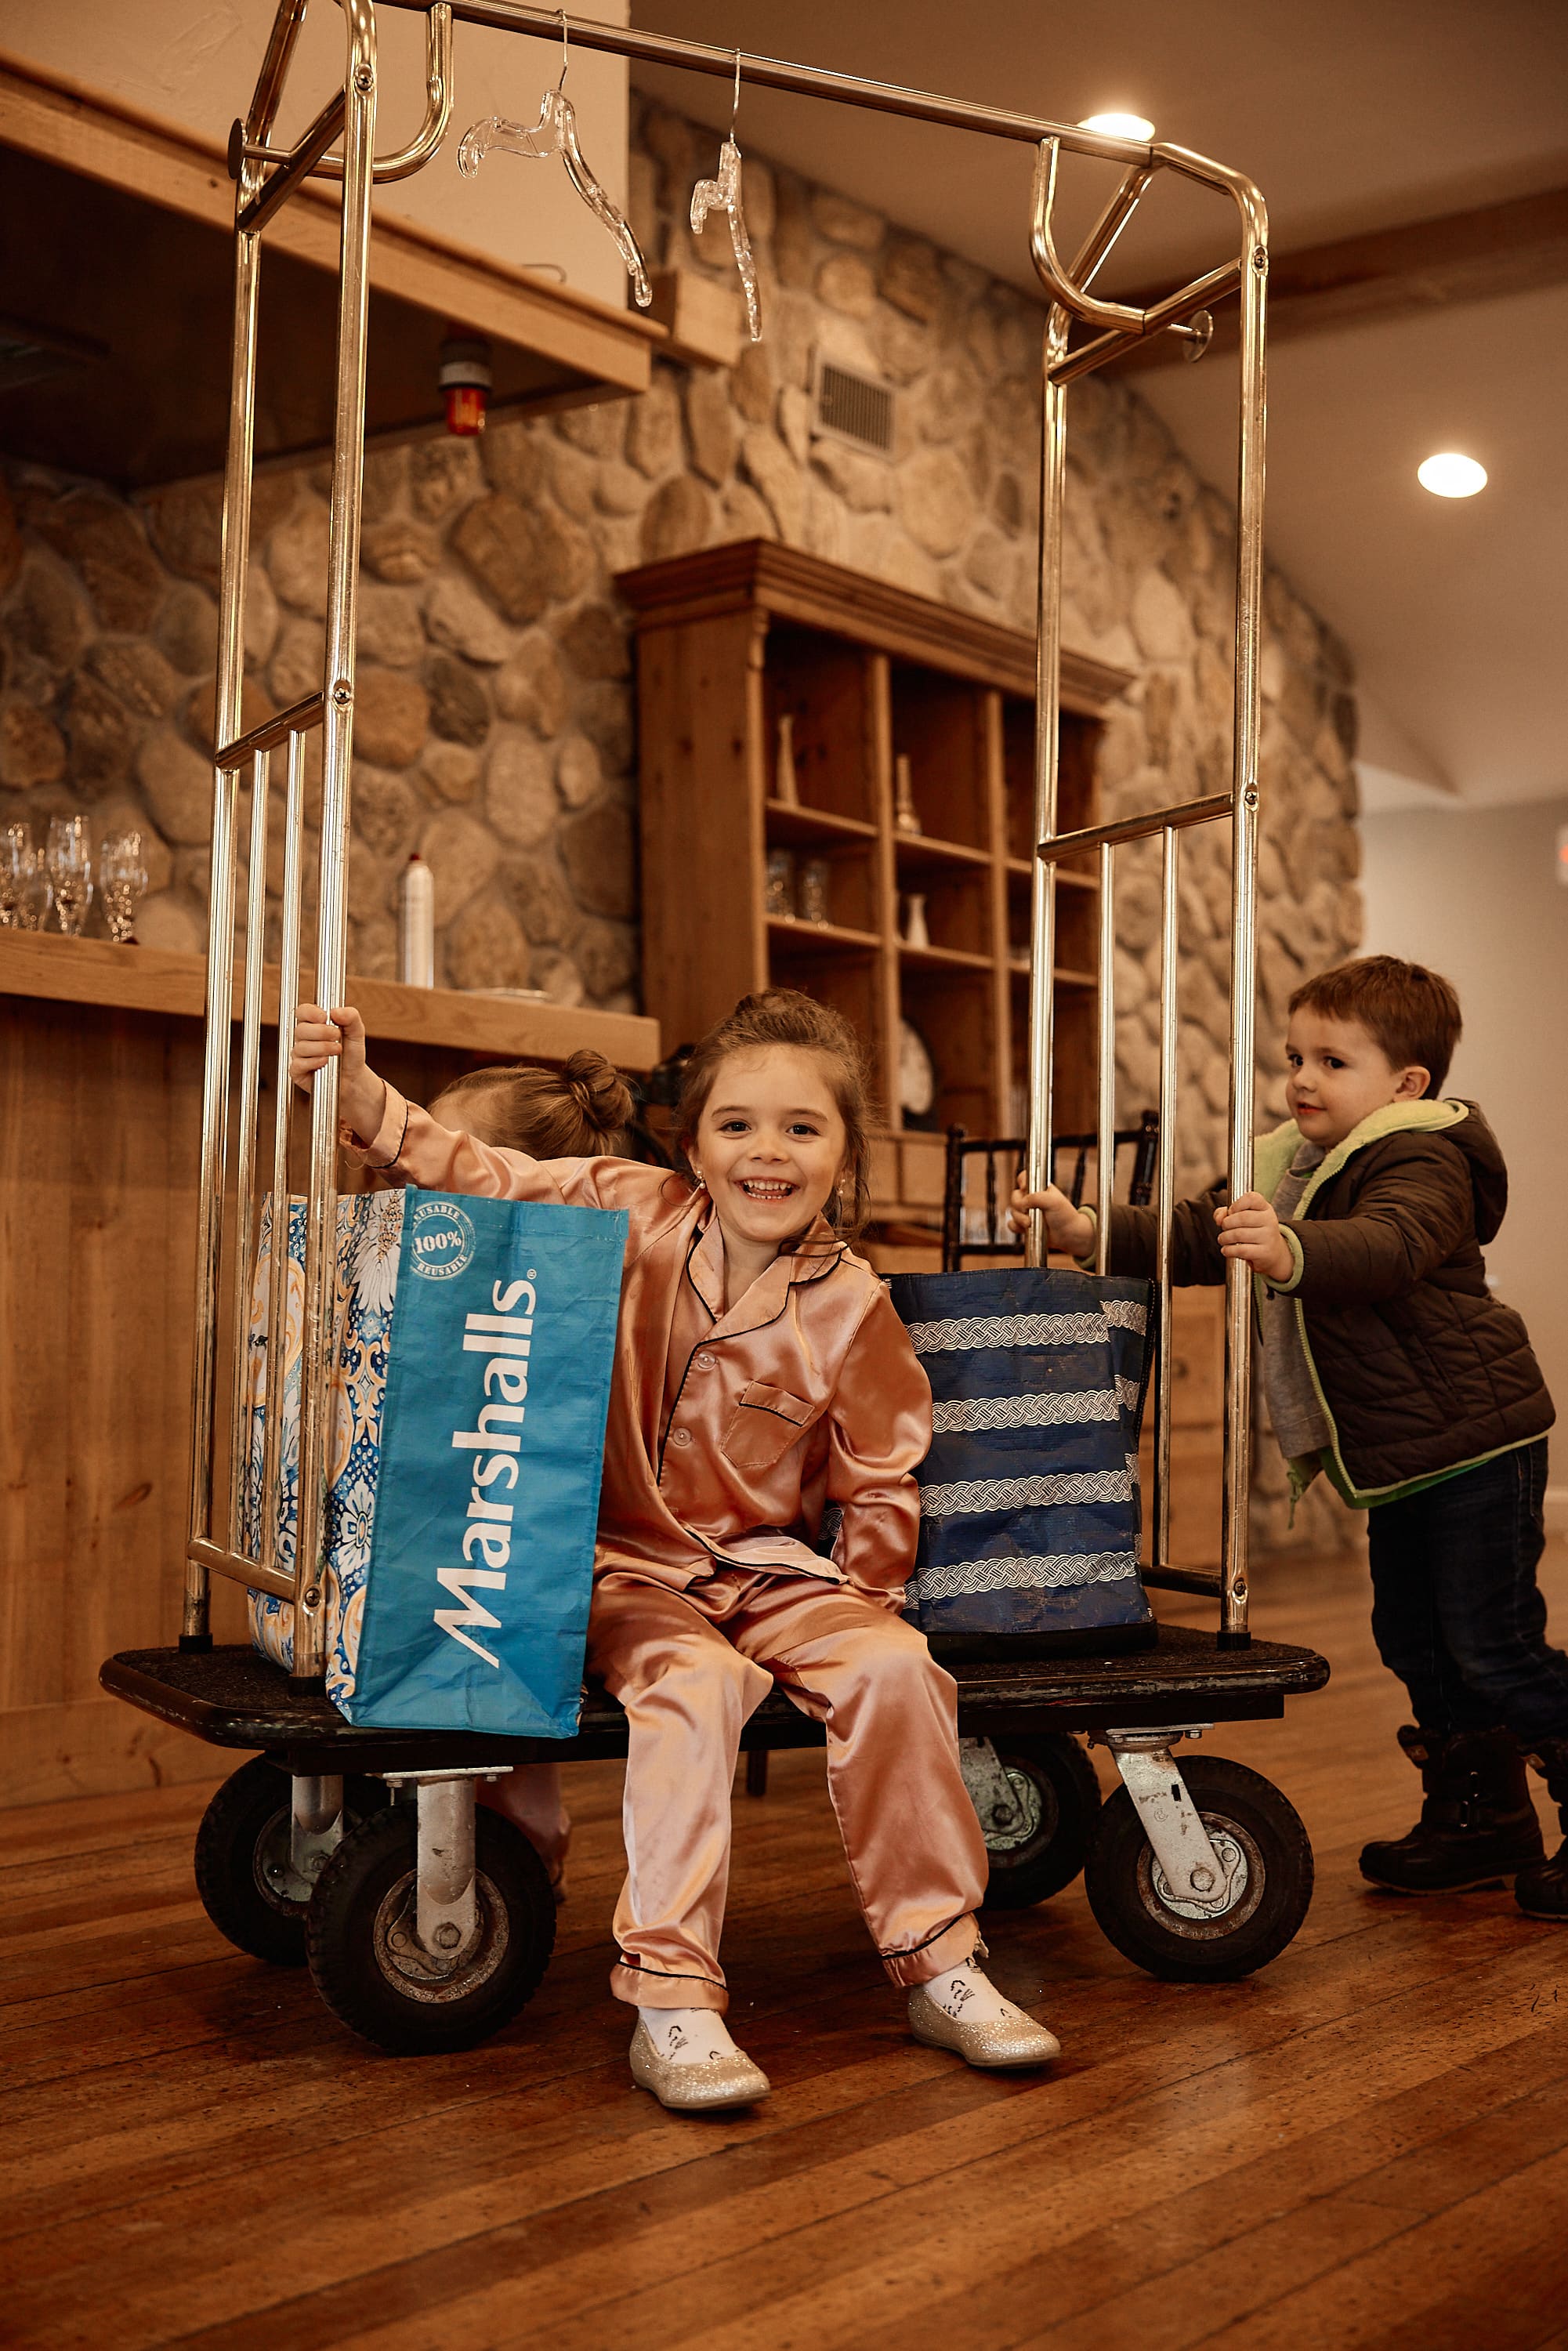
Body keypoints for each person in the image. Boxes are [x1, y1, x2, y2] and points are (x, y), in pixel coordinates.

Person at [295, 985, 1057, 2110]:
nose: (768, 1152)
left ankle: (942, 1963)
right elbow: (491, 1174)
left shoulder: (856, 1305)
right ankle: (674, 1998)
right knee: (694, 1684)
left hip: (768, 1571)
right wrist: (369, 1101)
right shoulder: (628, 1211)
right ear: (693, 1146)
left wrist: (861, 1612)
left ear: (844, 1156)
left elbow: (879, 1481)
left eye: (803, 1129)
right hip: (620, 1568)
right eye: (737, 1125)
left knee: (898, 1668)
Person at [1012, 955, 1564, 1920]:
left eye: (1332, 1062)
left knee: (1494, 1645)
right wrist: (1089, 1228)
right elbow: (1200, 1233)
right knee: (1418, 1642)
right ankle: (1482, 1819)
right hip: (1404, 1456)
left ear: (1406, 1085)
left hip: (1477, 1444)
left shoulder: (1426, 1154)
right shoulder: (1293, 1164)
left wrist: (1292, 1247)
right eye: (1296, 1057)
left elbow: (1390, 1245)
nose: (1303, 1079)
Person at [424, 1052, 636, 1901]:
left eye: (448, 1162)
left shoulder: (579, 1295)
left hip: (568, 1556)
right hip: (480, 1547)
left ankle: (523, 1828)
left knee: (497, 1618)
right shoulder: (457, 1278)